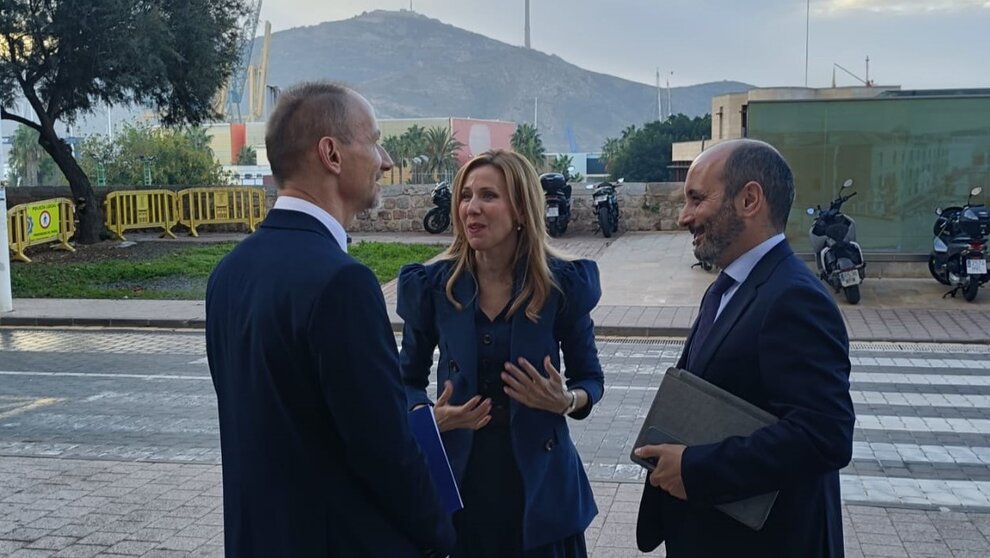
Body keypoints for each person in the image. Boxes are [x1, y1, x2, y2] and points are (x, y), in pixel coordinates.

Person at [205, 81, 454, 557]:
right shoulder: (343, 283)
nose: (385, 160)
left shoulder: (229, 272)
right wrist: (438, 534)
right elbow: (383, 450)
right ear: (332, 155)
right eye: (374, 141)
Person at [634, 139, 855, 557]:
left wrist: (696, 469)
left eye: (697, 200)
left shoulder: (793, 298)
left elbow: (825, 435)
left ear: (749, 199)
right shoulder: (728, 287)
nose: (685, 217)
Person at [397, 149, 604, 557]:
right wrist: (428, 418)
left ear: (522, 210)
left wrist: (566, 400)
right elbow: (405, 381)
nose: (472, 208)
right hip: (459, 484)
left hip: (541, 492)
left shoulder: (562, 285)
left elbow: (590, 380)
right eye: (466, 195)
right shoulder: (433, 286)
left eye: (488, 195)